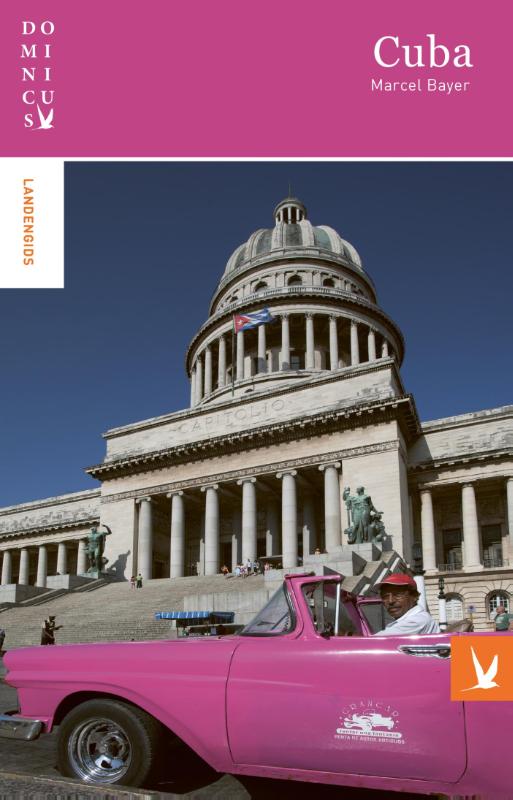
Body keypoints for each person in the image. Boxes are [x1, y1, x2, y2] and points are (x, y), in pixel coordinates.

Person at [374, 574, 440, 635]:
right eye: (385, 596)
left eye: (397, 595)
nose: (390, 601)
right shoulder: (413, 618)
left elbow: (372, 640)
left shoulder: (416, 621)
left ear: (414, 596)